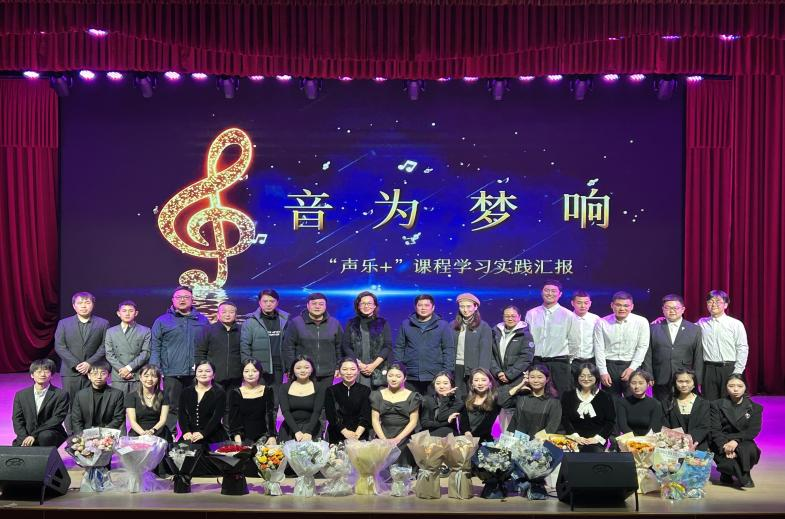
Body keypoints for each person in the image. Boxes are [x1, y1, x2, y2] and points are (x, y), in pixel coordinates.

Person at [150, 286, 210, 431]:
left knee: (195, 407)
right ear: (173, 300)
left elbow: (209, 346)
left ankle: (194, 438)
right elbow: (155, 347)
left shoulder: (202, 320)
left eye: (186, 297)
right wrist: (155, 369)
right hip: (171, 372)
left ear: (192, 299)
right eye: (178, 297)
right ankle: (169, 437)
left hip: (197, 373)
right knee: (171, 407)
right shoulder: (162, 321)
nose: (182, 300)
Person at [54, 292, 109, 418]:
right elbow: (60, 346)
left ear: (93, 305)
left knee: (93, 403)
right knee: (70, 404)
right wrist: (76, 364)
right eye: (80, 303)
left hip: (93, 371)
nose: (84, 306)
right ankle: (72, 430)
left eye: (87, 303)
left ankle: (91, 428)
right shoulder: (63, 323)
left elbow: (104, 346)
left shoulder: (103, 323)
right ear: (74, 306)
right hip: (70, 371)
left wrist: (89, 363)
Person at [643, 294, 703, 402]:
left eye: (676, 308)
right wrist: (648, 374)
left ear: (683, 309)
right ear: (663, 309)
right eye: (668, 308)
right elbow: (648, 353)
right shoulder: (653, 328)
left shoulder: (695, 329)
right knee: (661, 408)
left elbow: (698, 356)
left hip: (685, 378)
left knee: (683, 408)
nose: (672, 311)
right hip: (660, 376)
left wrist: (697, 379)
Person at [525, 280, 579, 395]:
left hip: (559, 363)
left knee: (562, 397)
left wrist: (567, 360)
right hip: (537, 362)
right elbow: (527, 340)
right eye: (547, 290)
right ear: (541, 292)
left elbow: (574, 342)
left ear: (560, 294)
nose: (550, 293)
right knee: (537, 396)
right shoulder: (531, 314)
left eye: (554, 291)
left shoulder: (568, 315)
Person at [281, 293, 345, 393]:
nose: (317, 306)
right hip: (303, 372)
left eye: (321, 304)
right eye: (314, 303)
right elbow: (288, 347)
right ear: (307, 305)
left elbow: (339, 347)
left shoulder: (334, 323)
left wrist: (339, 366)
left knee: (324, 399)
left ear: (325, 306)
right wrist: (291, 368)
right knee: (304, 399)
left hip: (327, 373)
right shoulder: (296, 323)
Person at [394, 294, 455, 395]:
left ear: (433, 307)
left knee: (432, 404)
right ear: (415, 307)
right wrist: (398, 369)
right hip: (411, 375)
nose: (423, 308)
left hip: (435, 376)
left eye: (427, 305)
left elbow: (448, 349)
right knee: (411, 403)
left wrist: (447, 372)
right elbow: (399, 347)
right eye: (420, 305)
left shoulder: (442, 325)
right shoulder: (406, 324)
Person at [594, 291, 650, 398]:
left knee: (633, 401)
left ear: (632, 306)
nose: (622, 308)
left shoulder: (641, 322)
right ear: (612, 305)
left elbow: (642, 347)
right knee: (610, 403)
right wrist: (603, 371)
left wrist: (632, 368)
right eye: (618, 305)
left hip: (632, 364)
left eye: (626, 306)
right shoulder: (602, 322)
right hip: (609, 366)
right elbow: (599, 348)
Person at [240, 289, 289, 409]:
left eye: (272, 301)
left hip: (278, 367)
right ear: (259, 303)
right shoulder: (250, 322)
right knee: (257, 401)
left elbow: (289, 345)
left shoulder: (284, 320)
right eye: (265, 301)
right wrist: (248, 365)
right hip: (258, 367)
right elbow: (245, 345)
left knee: (275, 401)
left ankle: (272, 422)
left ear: (277, 302)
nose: (268, 304)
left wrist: (288, 366)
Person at [710, 374, 762, 488]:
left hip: (742, 440)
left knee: (750, 450)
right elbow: (715, 430)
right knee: (722, 454)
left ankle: (744, 472)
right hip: (722, 440)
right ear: (726, 387)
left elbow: (753, 430)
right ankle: (728, 473)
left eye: (740, 386)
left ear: (745, 387)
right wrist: (725, 446)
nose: (735, 389)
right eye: (731, 386)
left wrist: (736, 441)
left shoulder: (755, 407)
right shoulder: (716, 405)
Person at [178, 360, 228, 476]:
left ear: (213, 375)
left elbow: (217, 417)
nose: (203, 374)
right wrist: (186, 432)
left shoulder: (219, 392)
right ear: (195, 373)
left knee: (213, 466)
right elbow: (182, 414)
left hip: (212, 433)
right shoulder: (186, 392)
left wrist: (203, 433)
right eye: (200, 371)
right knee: (180, 460)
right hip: (190, 434)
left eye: (207, 371)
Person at [698, 290, 749, 401]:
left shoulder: (735, 324)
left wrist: (737, 372)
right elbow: (685, 328)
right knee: (709, 403)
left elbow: (742, 348)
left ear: (725, 305)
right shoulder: (701, 323)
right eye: (710, 301)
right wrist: (665, 320)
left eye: (718, 301)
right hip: (708, 369)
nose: (713, 304)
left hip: (729, 369)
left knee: (728, 404)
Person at [490, 305, 534, 432]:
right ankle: (497, 438)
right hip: (498, 378)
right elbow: (490, 355)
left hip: (516, 378)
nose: (510, 318)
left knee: (513, 410)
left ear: (519, 317)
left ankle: (512, 439)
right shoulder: (495, 332)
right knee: (497, 407)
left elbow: (526, 358)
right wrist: (498, 372)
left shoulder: (525, 335)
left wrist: (509, 375)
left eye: (513, 316)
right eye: (507, 316)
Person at [370, 363, 421, 467]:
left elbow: (413, 422)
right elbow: (375, 420)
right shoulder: (377, 394)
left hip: (404, 435)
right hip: (383, 434)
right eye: (390, 376)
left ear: (404, 378)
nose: (393, 379)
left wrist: (398, 439)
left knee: (401, 460)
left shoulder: (412, 396)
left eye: (398, 376)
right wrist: (383, 440)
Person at [12, 359, 69, 447]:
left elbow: (57, 419)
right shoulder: (21, 395)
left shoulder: (61, 394)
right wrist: (24, 437)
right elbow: (17, 419)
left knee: (45, 436)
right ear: (32, 375)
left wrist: (34, 435)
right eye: (38, 372)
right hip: (27, 434)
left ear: (52, 375)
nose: (42, 374)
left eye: (46, 371)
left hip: (50, 433)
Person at [341, 291, 393, 389]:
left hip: (377, 369)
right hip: (357, 368)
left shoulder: (382, 323)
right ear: (358, 306)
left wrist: (373, 365)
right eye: (363, 303)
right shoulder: (351, 323)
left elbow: (387, 346)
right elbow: (346, 346)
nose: (366, 306)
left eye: (369, 303)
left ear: (374, 306)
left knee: (376, 397)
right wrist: (359, 364)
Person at [560, 363, 616, 453]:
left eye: (590, 376)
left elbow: (610, 422)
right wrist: (576, 437)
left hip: (596, 441)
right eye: (582, 376)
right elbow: (564, 419)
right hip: (573, 439)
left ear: (596, 377)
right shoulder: (568, 395)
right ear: (577, 377)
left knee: (593, 453)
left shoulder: (605, 396)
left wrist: (596, 439)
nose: (586, 379)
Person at [104, 300, 151, 395]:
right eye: (124, 311)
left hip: (136, 374)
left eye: (130, 311)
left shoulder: (145, 331)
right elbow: (109, 354)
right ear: (118, 313)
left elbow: (146, 353)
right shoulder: (111, 331)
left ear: (136, 313)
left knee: (137, 402)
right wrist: (122, 370)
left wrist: (129, 368)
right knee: (118, 402)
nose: (127, 313)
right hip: (119, 375)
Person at [195, 301, 243, 392]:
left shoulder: (242, 330)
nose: (227, 315)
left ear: (236, 315)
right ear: (218, 314)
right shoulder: (208, 330)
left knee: (233, 400)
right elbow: (200, 352)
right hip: (213, 377)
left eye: (231, 312)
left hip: (236, 377)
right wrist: (202, 372)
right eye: (224, 312)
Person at [228, 359, 277, 445]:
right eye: (246, 371)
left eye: (254, 371)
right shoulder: (235, 393)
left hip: (264, 437)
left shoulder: (268, 390)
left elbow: (270, 415)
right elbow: (234, 420)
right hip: (243, 438)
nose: (250, 374)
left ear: (260, 372)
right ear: (242, 373)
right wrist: (238, 440)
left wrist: (272, 436)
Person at [451, 293, 493, 393]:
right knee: (457, 396)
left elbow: (485, 352)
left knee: (473, 395)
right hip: (456, 368)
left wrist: (482, 372)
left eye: (468, 306)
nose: (465, 310)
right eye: (462, 306)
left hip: (474, 368)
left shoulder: (483, 327)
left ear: (475, 307)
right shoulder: (452, 325)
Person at [507, 363, 562, 438]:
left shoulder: (554, 402)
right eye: (532, 377)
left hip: (540, 441)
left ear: (547, 379)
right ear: (528, 379)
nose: (536, 380)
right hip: (518, 441)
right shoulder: (522, 397)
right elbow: (504, 402)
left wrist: (536, 439)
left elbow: (552, 426)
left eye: (540, 377)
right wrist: (520, 385)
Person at [70, 361, 125, 435]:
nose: (99, 377)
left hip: (108, 433)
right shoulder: (80, 395)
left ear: (109, 375)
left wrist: (103, 433)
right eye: (95, 373)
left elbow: (118, 418)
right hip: (86, 434)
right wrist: (81, 436)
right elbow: (76, 420)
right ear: (89, 376)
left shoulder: (117, 394)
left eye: (103, 373)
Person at [324, 358, 372, 443]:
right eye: (345, 369)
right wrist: (345, 432)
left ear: (358, 371)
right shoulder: (331, 390)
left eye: (352, 369)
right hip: (337, 434)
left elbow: (366, 415)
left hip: (359, 435)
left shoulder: (365, 390)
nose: (349, 373)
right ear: (339, 371)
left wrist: (356, 435)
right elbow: (331, 415)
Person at [278, 356, 326, 441]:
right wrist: (296, 431)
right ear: (293, 370)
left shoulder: (319, 387)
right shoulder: (284, 387)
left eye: (306, 367)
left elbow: (317, 411)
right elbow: (285, 411)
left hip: (312, 429)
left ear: (312, 369)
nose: (303, 370)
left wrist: (308, 432)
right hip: (290, 428)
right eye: (298, 368)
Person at [662, 369, 711, 450]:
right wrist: (676, 442)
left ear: (694, 383)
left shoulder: (704, 403)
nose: (684, 385)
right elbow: (665, 426)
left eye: (688, 381)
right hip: (673, 446)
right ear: (675, 383)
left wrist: (689, 440)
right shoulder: (667, 402)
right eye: (680, 381)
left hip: (697, 445)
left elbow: (705, 427)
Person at [458, 368, 510, 442]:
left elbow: (486, 426)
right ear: (472, 383)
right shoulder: (465, 399)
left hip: (485, 441)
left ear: (490, 382)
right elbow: (464, 421)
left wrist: (474, 439)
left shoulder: (495, 401)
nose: (480, 383)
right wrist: (467, 433)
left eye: (483, 380)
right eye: (476, 380)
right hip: (467, 439)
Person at [125, 364, 170, 440]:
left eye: (154, 376)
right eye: (146, 376)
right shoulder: (131, 396)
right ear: (140, 377)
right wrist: (143, 434)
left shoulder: (163, 395)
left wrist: (152, 431)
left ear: (158, 379)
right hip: (138, 433)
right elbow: (132, 422)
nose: (150, 379)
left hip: (158, 432)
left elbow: (163, 420)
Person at [616, 370, 663, 436]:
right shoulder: (622, 402)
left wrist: (644, 440)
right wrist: (636, 440)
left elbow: (655, 428)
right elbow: (623, 426)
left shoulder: (656, 404)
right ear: (629, 384)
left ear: (648, 384)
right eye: (633, 383)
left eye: (641, 383)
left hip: (649, 439)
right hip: (630, 439)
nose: (637, 386)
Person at [419, 371, 463, 437]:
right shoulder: (427, 399)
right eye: (438, 383)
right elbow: (424, 423)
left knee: (446, 430)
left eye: (445, 383)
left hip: (448, 434)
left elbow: (441, 417)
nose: (441, 386)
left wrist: (445, 397)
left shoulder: (457, 402)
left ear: (451, 385)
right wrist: (447, 422)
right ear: (434, 385)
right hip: (430, 432)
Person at [570, 291, 600, 381]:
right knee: (571, 386)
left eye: (586, 303)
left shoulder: (596, 319)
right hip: (572, 361)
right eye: (579, 303)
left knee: (590, 386)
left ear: (590, 303)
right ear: (572, 303)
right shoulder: (567, 318)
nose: (583, 306)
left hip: (591, 360)